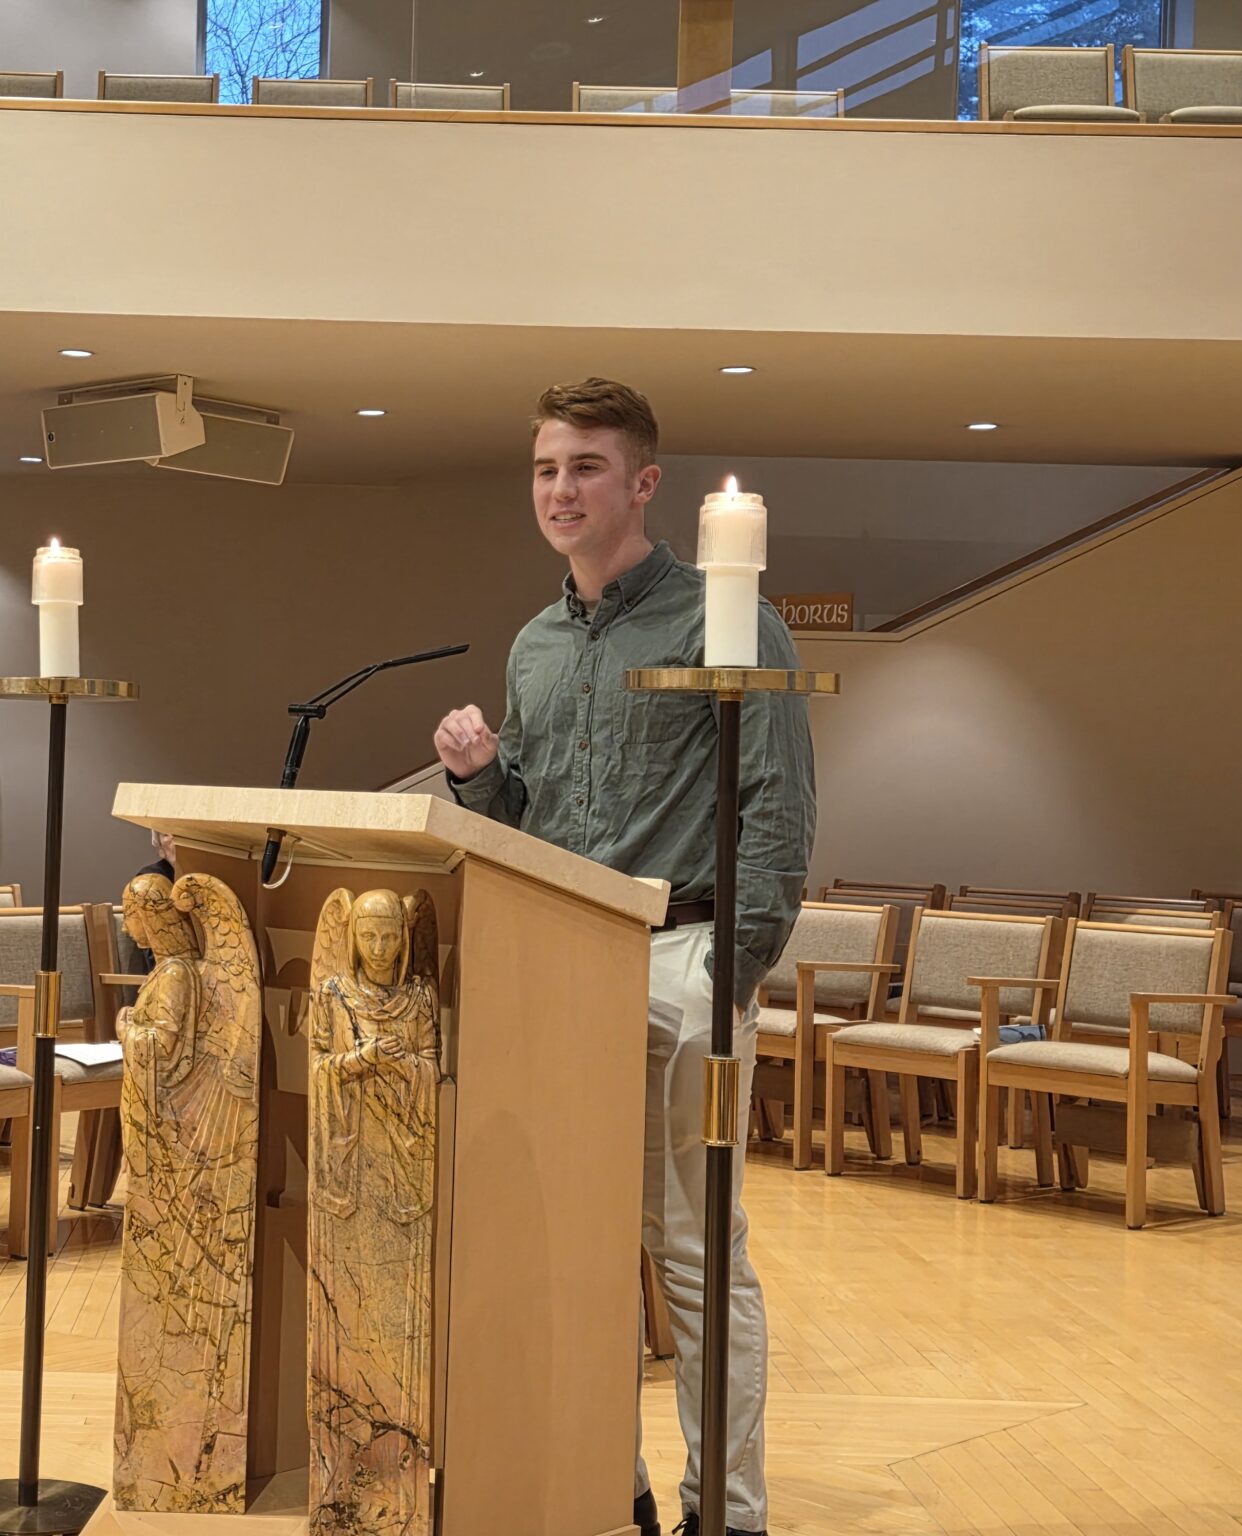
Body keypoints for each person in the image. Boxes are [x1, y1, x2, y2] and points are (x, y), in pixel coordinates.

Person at [434, 378, 813, 1536]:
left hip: (688, 954)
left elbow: (777, 809)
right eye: (546, 468)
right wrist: (472, 777)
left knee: (696, 1257)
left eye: (586, 467)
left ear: (642, 484)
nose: (560, 489)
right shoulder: (534, 645)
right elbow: (527, 826)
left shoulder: (724, 622)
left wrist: (729, 977)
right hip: (561, 977)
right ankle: (611, 1486)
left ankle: (725, 1512)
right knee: (577, 1254)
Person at [123, 831, 177, 974]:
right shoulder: (150, 880)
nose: (174, 839)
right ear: (160, 848)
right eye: (166, 835)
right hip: (162, 973)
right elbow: (156, 953)